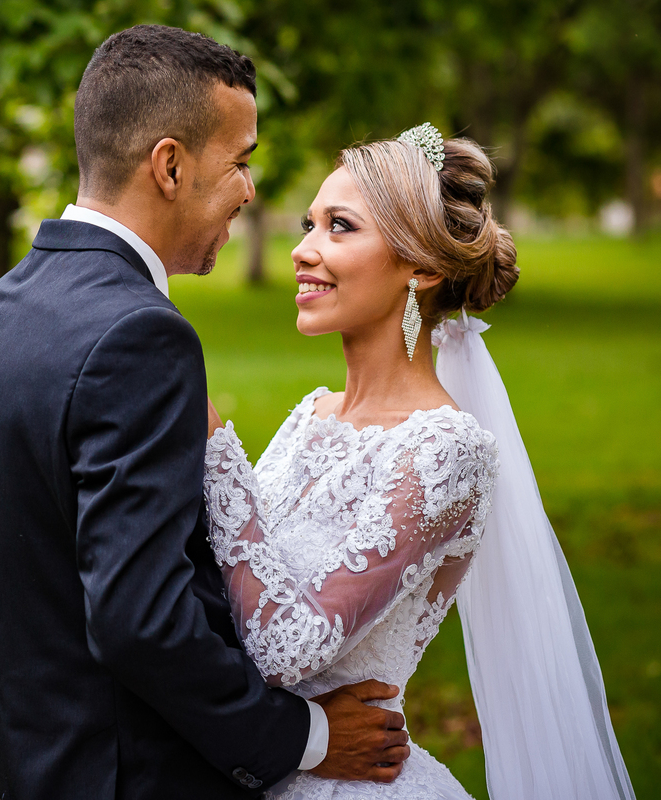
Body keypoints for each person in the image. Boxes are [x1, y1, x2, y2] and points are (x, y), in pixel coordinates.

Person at [0, 25, 409, 800]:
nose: (251, 190)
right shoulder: (140, 335)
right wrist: (304, 735)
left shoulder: (4, 309)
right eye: (240, 161)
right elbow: (139, 618)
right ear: (170, 165)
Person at [203, 125, 636, 798]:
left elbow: (286, 648)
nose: (303, 251)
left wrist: (214, 454)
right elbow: (231, 582)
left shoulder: (445, 453)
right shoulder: (309, 415)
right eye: (308, 224)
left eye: (339, 227)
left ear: (422, 268)